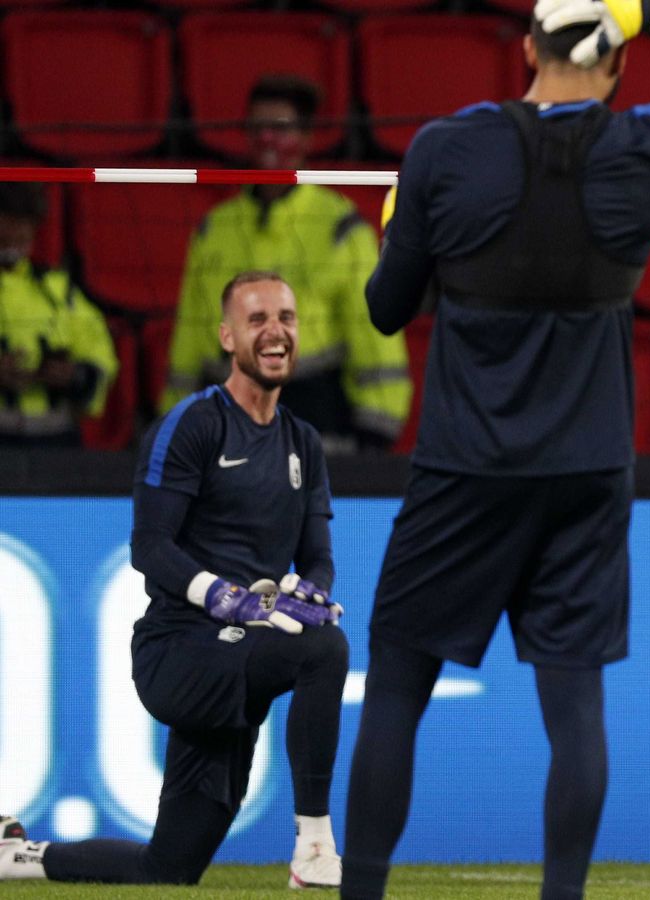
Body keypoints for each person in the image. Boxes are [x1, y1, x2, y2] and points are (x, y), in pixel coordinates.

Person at [340, 1, 650, 897]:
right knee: (575, 710)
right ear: (614, 68)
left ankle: (362, 890)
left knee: (398, 693)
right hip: (587, 472)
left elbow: (384, 309)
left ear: (526, 49)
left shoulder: (444, 149)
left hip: (463, 471)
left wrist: (395, 230)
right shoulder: (645, 146)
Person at [0, 271, 349, 888]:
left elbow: (316, 557)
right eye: (258, 319)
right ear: (226, 336)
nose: (276, 332)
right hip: (178, 652)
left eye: (287, 319)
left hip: (240, 658)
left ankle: (17, 858)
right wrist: (226, 598)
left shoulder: (304, 442)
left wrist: (311, 590)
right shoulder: (191, 425)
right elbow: (150, 546)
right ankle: (316, 844)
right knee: (323, 649)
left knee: (171, 868)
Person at [163, 74, 411, 454]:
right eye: (257, 128)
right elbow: (188, 342)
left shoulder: (340, 228)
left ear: (308, 138)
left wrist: (373, 436)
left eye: (281, 128)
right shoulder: (214, 229)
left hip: (315, 421)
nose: (267, 140)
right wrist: (175, 422)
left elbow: (375, 342)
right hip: (226, 421)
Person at [0, 182, 118, 446]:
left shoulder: (59, 290)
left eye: (21, 238)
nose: (12, 246)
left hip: (55, 438)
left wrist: (74, 374)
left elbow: (102, 356)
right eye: (5, 238)